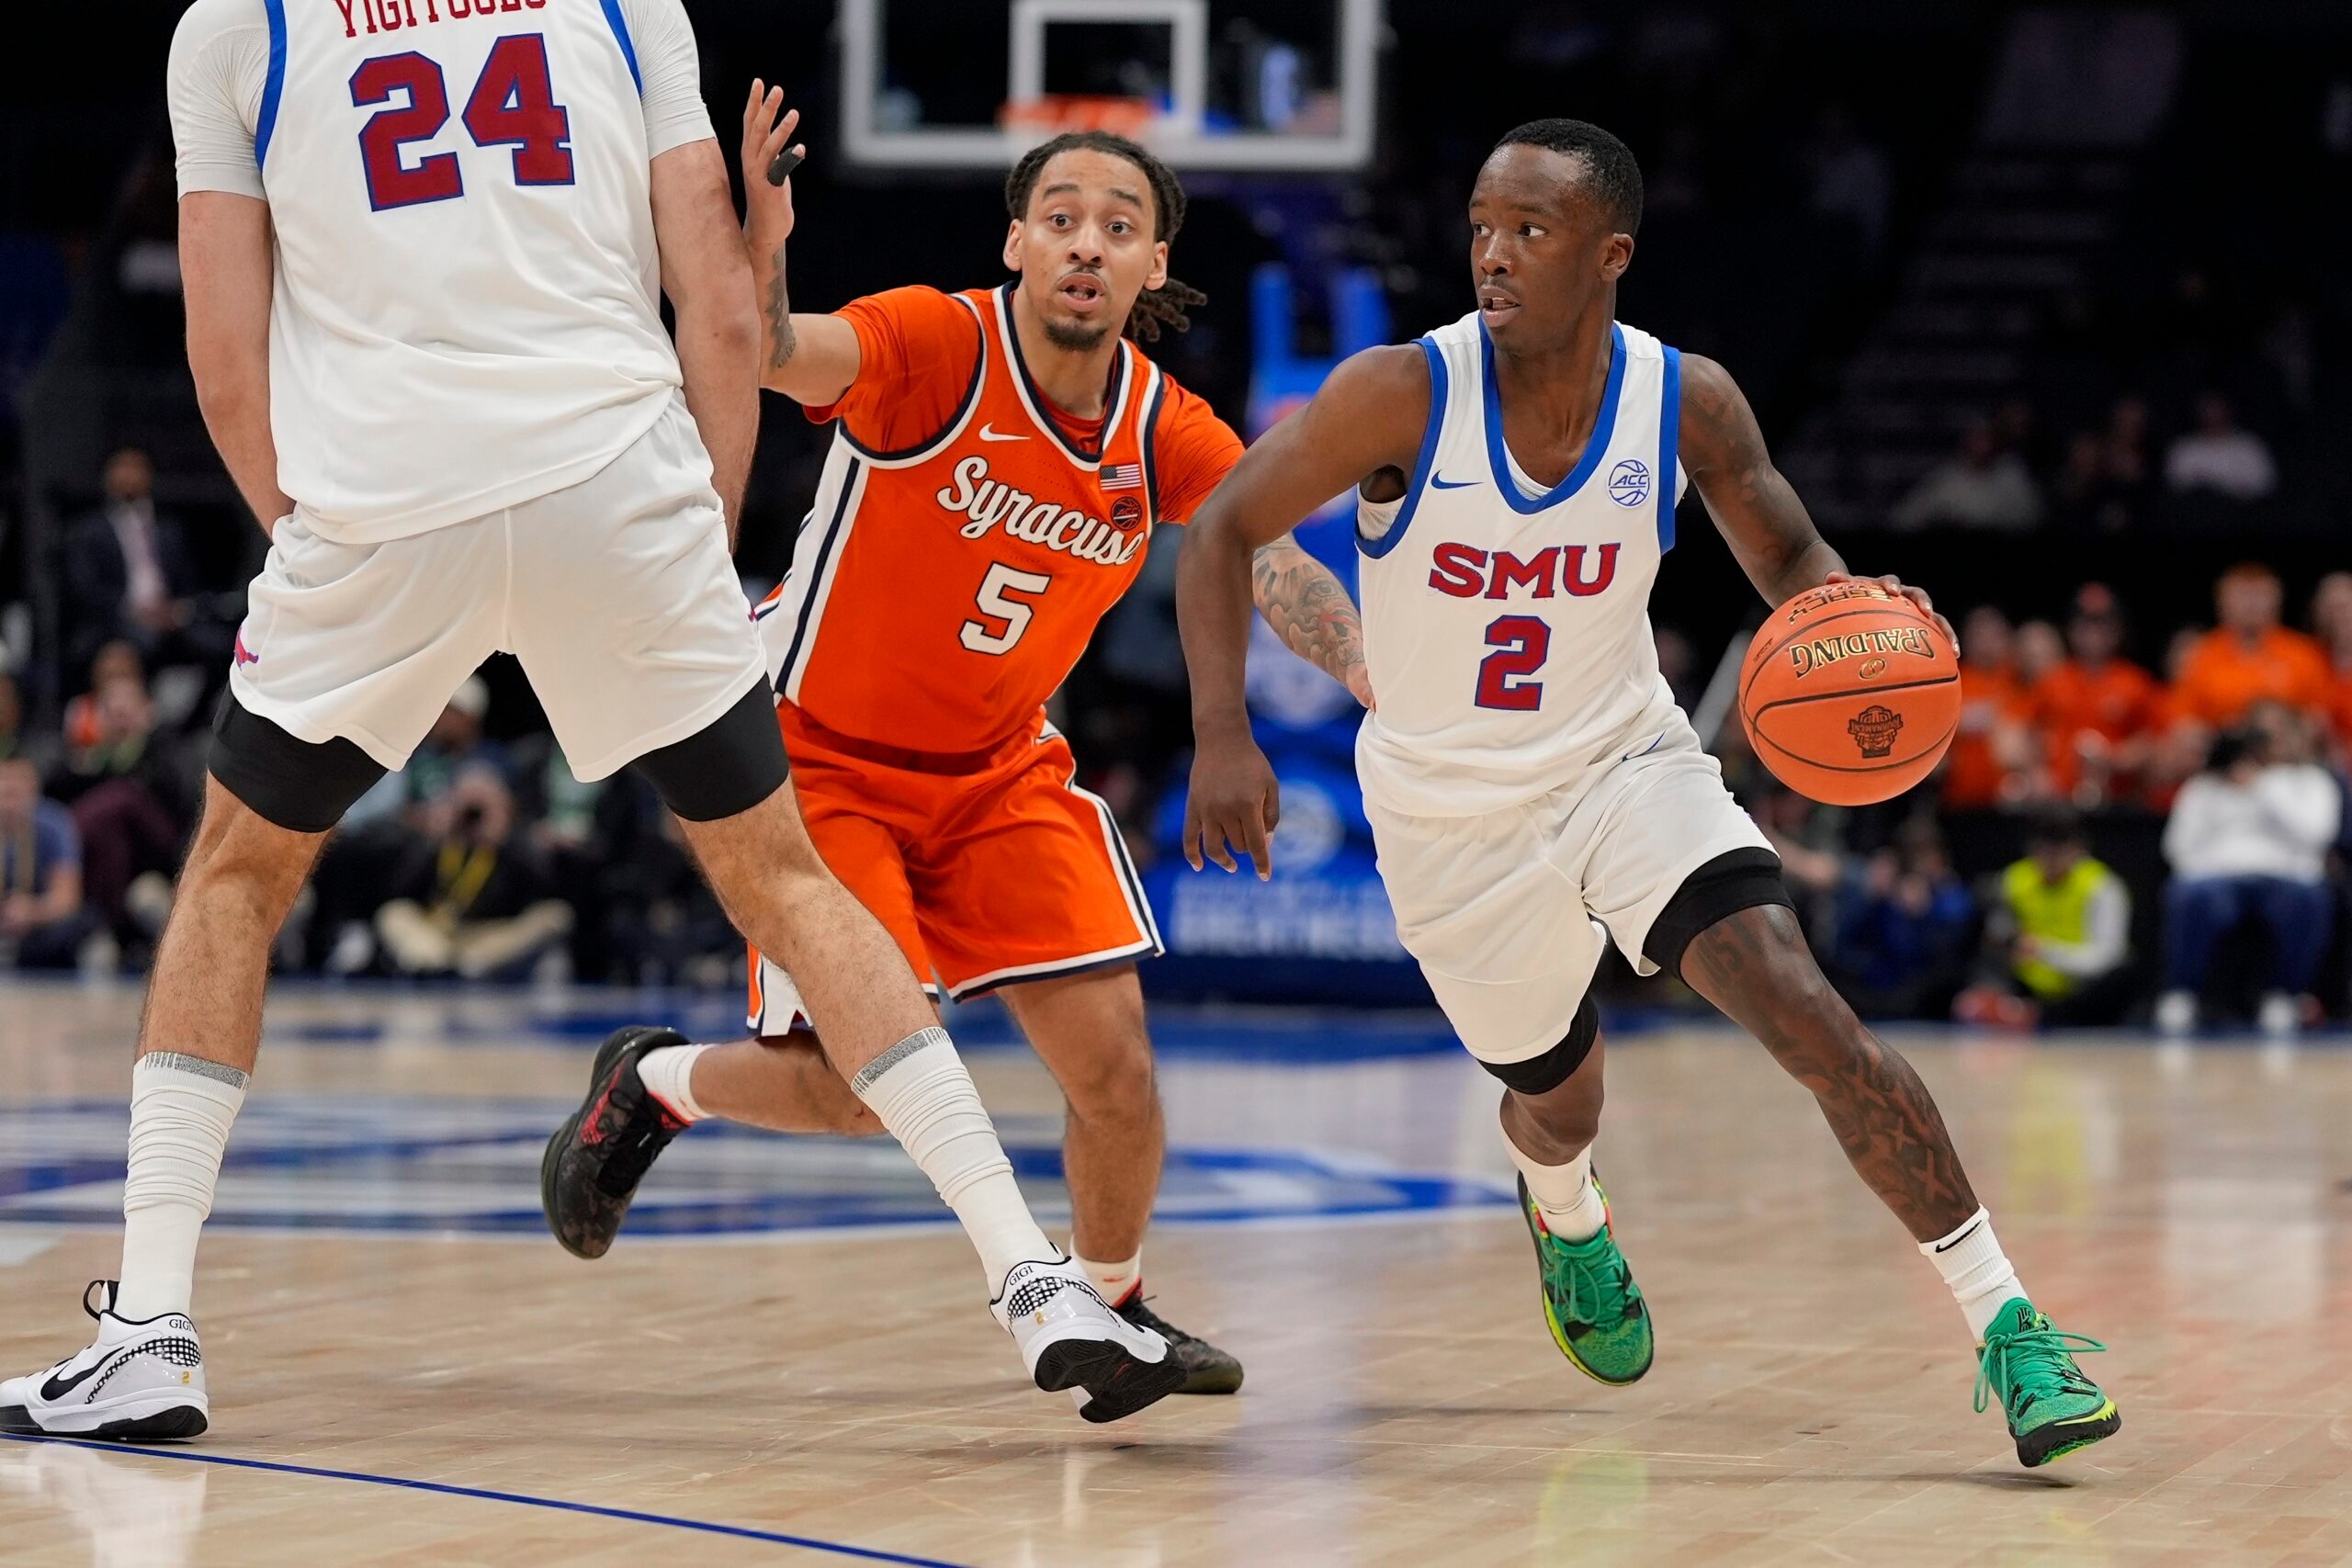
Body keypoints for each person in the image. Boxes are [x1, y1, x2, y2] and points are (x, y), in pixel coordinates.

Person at [3, 0, 1178, 1444]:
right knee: (790, 882)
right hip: (615, 479)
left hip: (384, 492)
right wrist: (699, 520)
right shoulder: (621, 10)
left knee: (236, 877)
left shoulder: (235, 29)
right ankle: (1035, 1280)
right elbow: (724, 306)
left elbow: (221, 348)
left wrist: (304, 543)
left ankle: (153, 1331)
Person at [1174, 119, 2117, 1469]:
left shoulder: (1686, 399)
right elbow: (1223, 527)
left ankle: (2010, 1324)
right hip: (1448, 814)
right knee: (1561, 1099)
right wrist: (1222, 731)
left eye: (1532, 231)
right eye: (1484, 227)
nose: (1495, 255)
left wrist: (1857, 620)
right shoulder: (1402, 390)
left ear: (1610, 252)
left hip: (1624, 765)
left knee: (1808, 1013)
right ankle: (1563, 1209)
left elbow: (1785, 545)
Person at [538, 93, 1371, 1397]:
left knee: (1119, 1075)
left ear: (1156, 266)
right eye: (1061, 218)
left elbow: (1270, 566)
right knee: (860, 1087)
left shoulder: (1164, 427)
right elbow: (763, 348)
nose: (1087, 242)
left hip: (994, 771)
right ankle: (659, 1079)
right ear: (1017, 246)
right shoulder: (934, 340)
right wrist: (766, 242)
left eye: (1119, 224)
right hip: (816, 756)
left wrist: (1381, 680)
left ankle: (1114, 1307)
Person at [2156, 707, 2341, 1038]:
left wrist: (2263, 787)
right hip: (2217, 877)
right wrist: (2208, 866)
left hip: (2284, 878)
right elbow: (2177, 847)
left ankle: (2283, 996)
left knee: (2310, 898)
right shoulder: (2205, 786)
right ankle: (2182, 993)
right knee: (2188, 894)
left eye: (2277, 736)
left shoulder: (2310, 782)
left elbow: (2316, 835)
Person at [1954, 807, 2133, 1029]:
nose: (2051, 859)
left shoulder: (2103, 887)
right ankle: (2006, 1005)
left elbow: (2108, 956)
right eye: (2044, 850)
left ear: (2078, 848)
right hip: (2027, 984)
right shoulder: (2014, 880)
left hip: (2080, 989)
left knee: (2120, 976)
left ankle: (2030, 1014)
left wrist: (2044, 952)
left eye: (2060, 850)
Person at [59, 449, 206, 682]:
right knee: (145, 640)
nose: (129, 477)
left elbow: (188, 583)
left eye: (135, 469)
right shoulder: (89, 530)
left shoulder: (169, 530)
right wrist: (132, 610)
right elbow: (84, 587)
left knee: (215, 643)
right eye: (122, 469)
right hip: (116, 618)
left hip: (168, 615)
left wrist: (177, 610)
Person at [2030, 586, 2163, 805]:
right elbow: (2032, 733)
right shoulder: (2053, 681)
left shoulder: (2135, 682)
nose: (2094, 634)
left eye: (2102, 625)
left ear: (2117, 631)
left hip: (2117, 800)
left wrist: (2114, 759)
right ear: (2071, 630)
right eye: (2086, 625)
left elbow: (2152, 741)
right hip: (2060, 801)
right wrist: (2036, 771)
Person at [2169, 563, 2331, 731]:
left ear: (2278, 599)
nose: (2251, 604)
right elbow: (2183, 719)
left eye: (2260, 595)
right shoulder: (2201, 655)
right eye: (2242, 595)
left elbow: (2320, 715)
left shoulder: (2304, 653)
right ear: (2221, 601)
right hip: (2223, 748)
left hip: (2289, 751)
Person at [0, 758, 94, 971]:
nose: (8, 805)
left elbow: (67, 897)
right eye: (4, 793)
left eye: (15, 794)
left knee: (74, 927)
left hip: (37, 926)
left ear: (33, 792)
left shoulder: (54, 824)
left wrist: (33, 912)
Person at [1888, 419, 2042, 531]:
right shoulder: (1948, 477)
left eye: (1986, 439)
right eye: (1977, 439)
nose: (1982, 446)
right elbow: (1905, 519)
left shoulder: (2012, 473)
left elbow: (2032, 518)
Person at [2161, 393, 2276, 503]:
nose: (2214, 417)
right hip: (2197, 513)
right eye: (2208, 411)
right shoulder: (2184, 447)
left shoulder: (2249, 445)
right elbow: (2176, 484)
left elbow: (2265, 483)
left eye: (2218, 410)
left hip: (2241, 513)